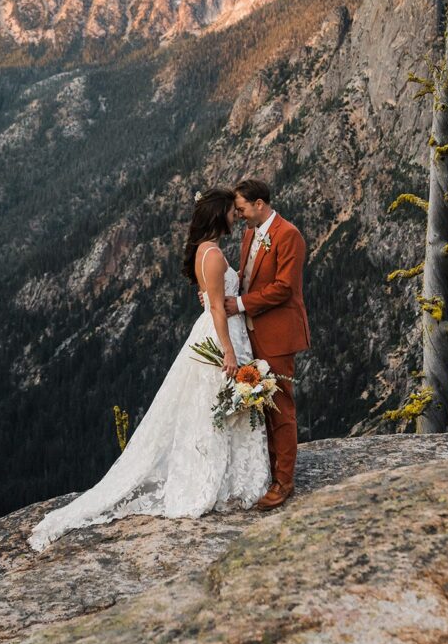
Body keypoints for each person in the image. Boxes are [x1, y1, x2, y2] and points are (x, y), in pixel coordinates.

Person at [28, 187, 269, 552]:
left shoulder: (202, 252)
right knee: (217, 408)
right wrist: (229, 353)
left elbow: (208, 299)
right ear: (219, 215)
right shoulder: (216, 256)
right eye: (232, 213)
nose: (237, 217)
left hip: (206, 332)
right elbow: (218, 309)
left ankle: (219, 474)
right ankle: (224, 480)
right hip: (222, 335)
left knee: (207, 410)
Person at [225, 179, 310, 510]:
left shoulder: (289, 235)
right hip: (250, 332)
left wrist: (241, 304)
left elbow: (284, 288)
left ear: (259, 204)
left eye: (242, 209)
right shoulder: (250, 234)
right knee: (261, 403)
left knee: (281, 407)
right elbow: (246, 277)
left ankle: (284, 481)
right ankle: (270, 470)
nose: (240, 215)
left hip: (277, 334)